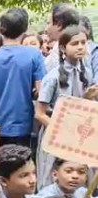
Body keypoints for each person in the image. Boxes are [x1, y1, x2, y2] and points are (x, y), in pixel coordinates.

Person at [35, 25, 90, 189]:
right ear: (63, 48)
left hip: (78, 135)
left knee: (76, 177)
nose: (80, 47)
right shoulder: (53, 77)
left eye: (83, 42)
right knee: (51, 178)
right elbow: (40, 113)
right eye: (75, 44)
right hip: (55, 134)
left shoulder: (86, 72)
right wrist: (62, 129)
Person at [0, 8, 45, 147]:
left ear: (0, 29)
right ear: (25, 30)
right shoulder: (34, 56)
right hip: (22, 126)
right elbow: (42, 92)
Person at [45, 3, 82, 72]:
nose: (46, 29)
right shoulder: (85, 51)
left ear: (59, 25)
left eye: (48, 23)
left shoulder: (56, 56)